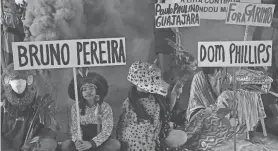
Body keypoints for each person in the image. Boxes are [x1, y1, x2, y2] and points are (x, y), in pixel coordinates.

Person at [116, 61, 186, 151]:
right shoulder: (130, 105)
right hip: (139, 142)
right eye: (155, 78)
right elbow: (129, 133)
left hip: (155, 136)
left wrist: (174, 94)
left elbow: (166, 111)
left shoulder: (155, 97)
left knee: (181, 136)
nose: (158, 81)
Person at [1, 63, 58, 151]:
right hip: (7, 147)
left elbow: (45, 129)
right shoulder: (3, 106)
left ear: (29, 81)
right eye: (15, 81)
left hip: (31, 147)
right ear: (7, 81)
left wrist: (34, 143)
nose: (19, 85)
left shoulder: (38, 104)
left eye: (21, 81)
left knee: (51, 143)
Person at [61, 70, 121, 151]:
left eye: (91, 88)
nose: (88, 91)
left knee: (115, 144)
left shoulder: (105, 107)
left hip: (100, 142)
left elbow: (107, 130)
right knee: (66, 145)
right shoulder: (76, 107)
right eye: (84, 89)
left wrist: (92, 143)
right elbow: (74, 128)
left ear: (97, 90)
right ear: (80, 93)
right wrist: (78, 142)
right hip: (83, 140)